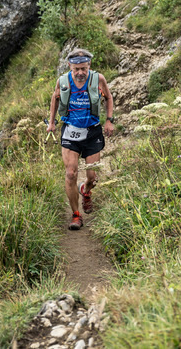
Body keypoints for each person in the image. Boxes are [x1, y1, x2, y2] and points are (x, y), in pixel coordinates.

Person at [47, 48, 115, 230]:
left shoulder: (98, 79)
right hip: (70, 131)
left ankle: (85, 190)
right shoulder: (62, 81)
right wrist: (51, 122)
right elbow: (55, 98)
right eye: (76, 69)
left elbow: (108, 97)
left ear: (89, 66)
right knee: (71, 173)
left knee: (93, 177)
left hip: (92, 132)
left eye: (83, 68)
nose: (80, 73)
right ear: (70, 66)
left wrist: (109, 121)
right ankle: (76, 215)